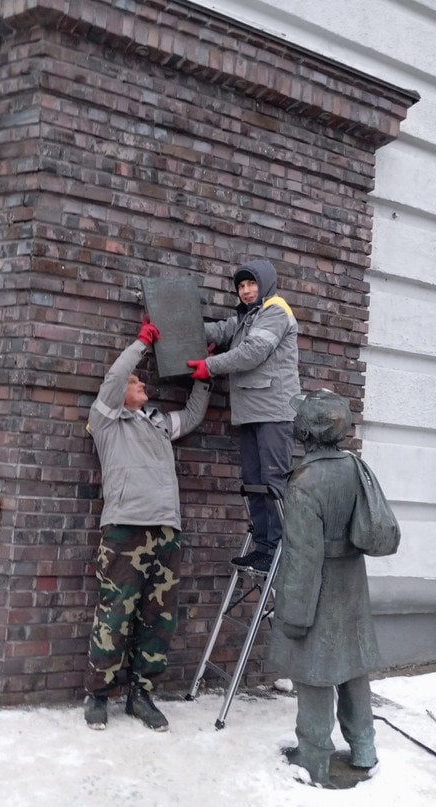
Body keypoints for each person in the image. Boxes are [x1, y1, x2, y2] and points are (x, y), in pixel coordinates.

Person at [84, 316, 211, 731]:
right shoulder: (106, 420)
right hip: (125, 530)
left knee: (159, 619)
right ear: (120, 393)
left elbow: (191, 417)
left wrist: (206, 375)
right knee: (115, 614)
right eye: (138, 384)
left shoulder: (156, 422)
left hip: (166, 532)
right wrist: (141, 343)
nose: (144, 387)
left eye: (143, 384)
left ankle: (142, 696)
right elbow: (116, 375)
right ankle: (98, 695)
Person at [269, 389, 382, 787]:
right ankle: (364, 746)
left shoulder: (303, 482)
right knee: (353, 668)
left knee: (314, 673)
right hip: (352, 583)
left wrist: (293, 616)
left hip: (319, 587)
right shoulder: (356, 466)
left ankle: (314, 756)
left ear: (305, 431)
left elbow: (302, 559)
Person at [186, 259, 300, 572]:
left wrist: (208, 366)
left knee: (273, 482)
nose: (247, 291)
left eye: (252, 284)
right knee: (254, 483)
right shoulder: (248, 316)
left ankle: (276, 550)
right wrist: (171, 330)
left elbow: (252, 353)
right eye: (241, 286)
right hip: (252, 413)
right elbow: (219, 331)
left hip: (274, 412)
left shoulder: (275, 311)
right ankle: (263, 546)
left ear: (265, 284)